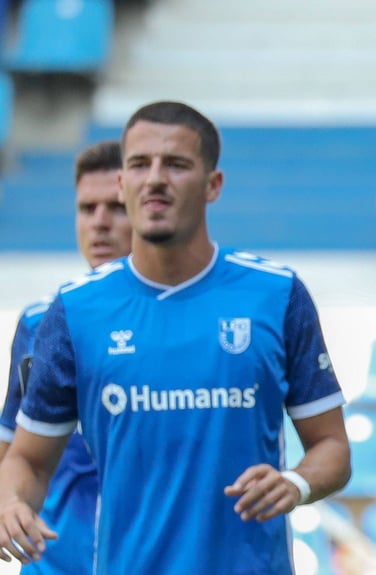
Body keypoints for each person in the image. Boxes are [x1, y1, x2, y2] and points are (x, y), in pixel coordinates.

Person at [0, 101, 352, 575]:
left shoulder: (277, 295)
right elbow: (27, 460)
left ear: (213, 185)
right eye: (140, 164)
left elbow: (333, 447)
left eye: (176, 164)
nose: (155, 179)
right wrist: (11, 502)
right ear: (123, 182)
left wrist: (296, 483)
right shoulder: (73, 312)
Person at [0, 140, 131, 574]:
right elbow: (10, 452)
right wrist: (8, 508)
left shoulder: (183, 328)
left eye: (116, 207)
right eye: (87, 208)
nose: (99, 223)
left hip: (146, 559)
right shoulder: (38, 324)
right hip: (51, 562)